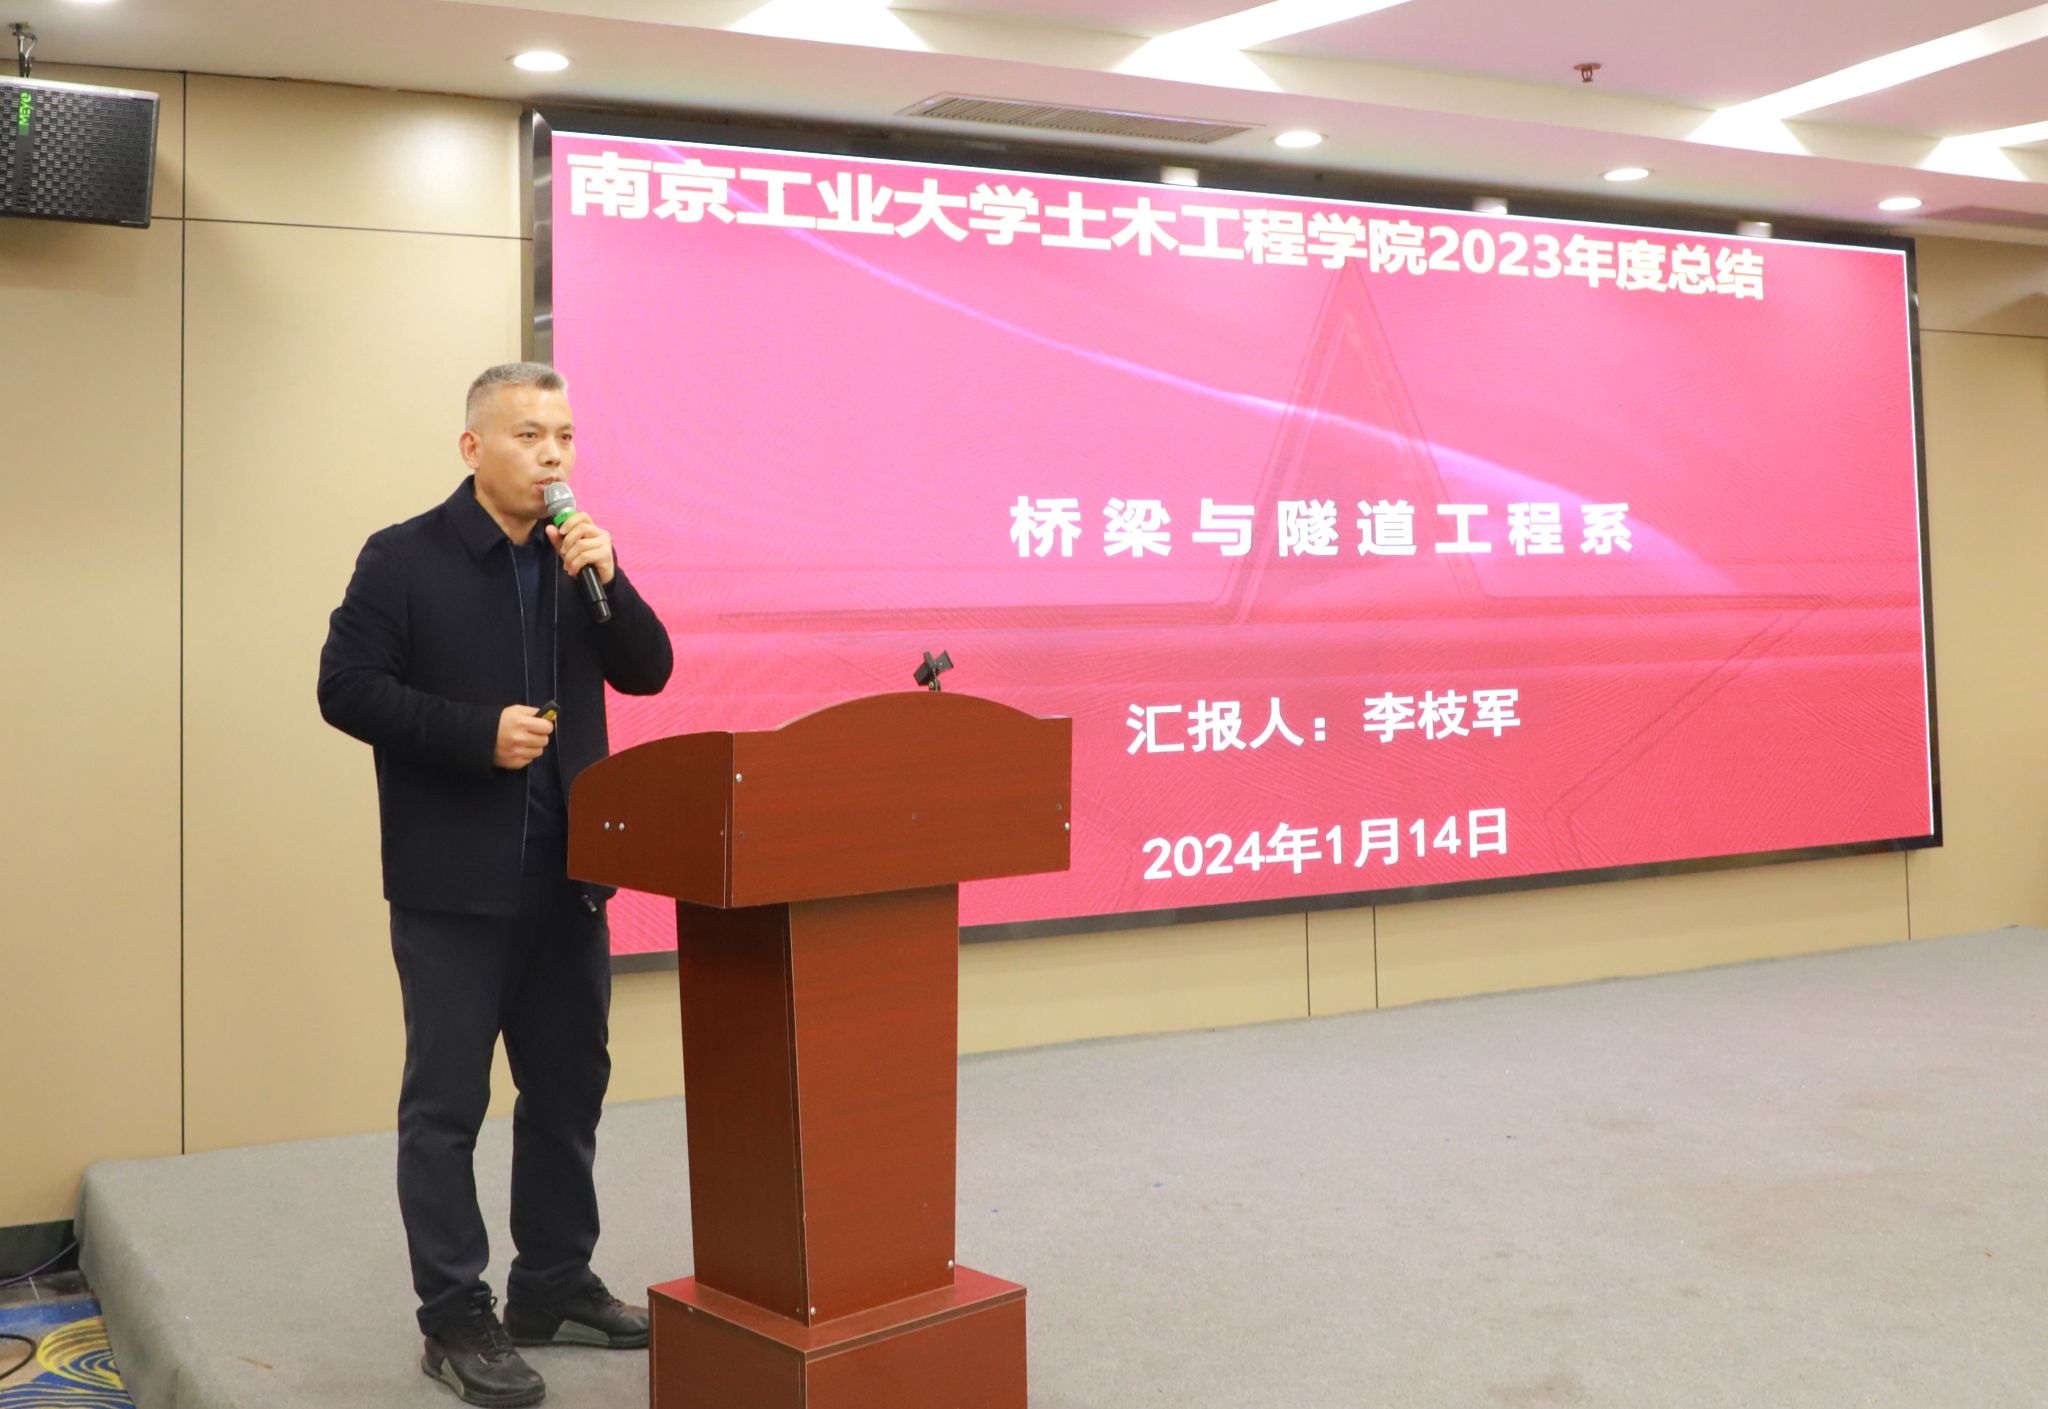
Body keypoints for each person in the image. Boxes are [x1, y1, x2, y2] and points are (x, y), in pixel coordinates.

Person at [318, 362, 675, 1406]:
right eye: (529, 435)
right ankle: (452, 1312)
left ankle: (552, 1283)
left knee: (567, 1088)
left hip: (570, 878)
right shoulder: (403, 557)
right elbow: (346, 688)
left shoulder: (579, 559)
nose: (552, 454)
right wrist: (477, 734)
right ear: (474, 447)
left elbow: (648, 670)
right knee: (447, 1104)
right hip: (453, 884)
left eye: (564, 435)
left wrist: (613, 577)